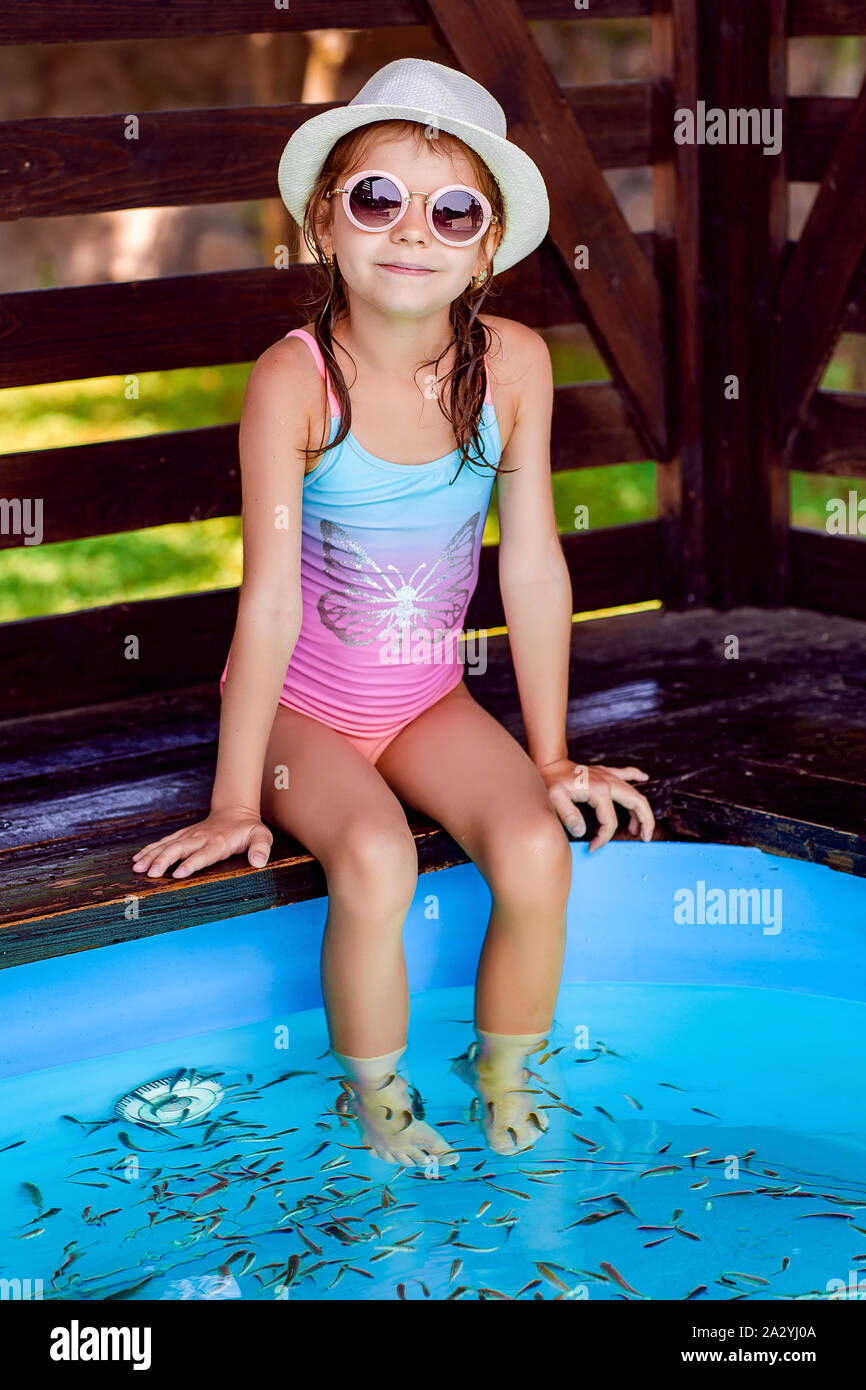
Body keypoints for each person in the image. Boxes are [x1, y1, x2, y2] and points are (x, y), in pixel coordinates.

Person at [132, 59, 655, 1167]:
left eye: (450, 210)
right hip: (298, 715)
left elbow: (532, 566)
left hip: (423, 698)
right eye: (378, 198)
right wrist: (237, 798)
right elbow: (267, 599)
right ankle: (373, 1098)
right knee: (374, 858)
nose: (410, 231)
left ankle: (504, 1067)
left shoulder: (512, 365)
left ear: (485, 243)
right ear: (326, 219)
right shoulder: (296, 381)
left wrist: (550, 758)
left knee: (532, 847)